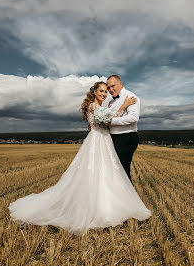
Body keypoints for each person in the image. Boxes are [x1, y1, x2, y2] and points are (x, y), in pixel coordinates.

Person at [9, 81, 151, 236]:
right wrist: (123, 106)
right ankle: (93, 208)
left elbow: (105, 120)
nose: (104, 94)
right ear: (94, 92)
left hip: (105, 140)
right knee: (93, 171)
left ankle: (109, 205)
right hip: (97, 140)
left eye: (106, 91)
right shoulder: (93, 106)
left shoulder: (101, 107)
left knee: (108, 172)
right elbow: (106, 120)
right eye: (101, 91)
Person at [106, 75, 140, 185]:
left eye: (113, 86)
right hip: (113, 139)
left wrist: (112, 122)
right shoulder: (110, 103)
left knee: (123, 171)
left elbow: (134, 118)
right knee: (115, 171)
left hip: (126, 137)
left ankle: (130, 199)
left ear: (120, 84)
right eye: (108, 88)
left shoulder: (131, 96)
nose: (111, 90)